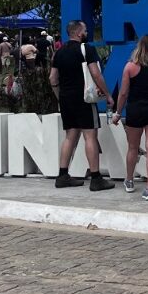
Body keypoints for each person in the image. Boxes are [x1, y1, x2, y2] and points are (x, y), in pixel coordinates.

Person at [49, 20, 115, 191]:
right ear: (79, 33)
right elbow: (95, 73)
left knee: (70, 137)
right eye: (85, 30)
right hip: (84, 99)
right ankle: (96, 178)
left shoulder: (59, 52)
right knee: (90, 136)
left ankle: (62, 175)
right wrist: (107, 94)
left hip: (66, 98)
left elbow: (52, 78)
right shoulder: (87, 49)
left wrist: (59, 96)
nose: (87, 32)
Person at [113, 35, 148, 201]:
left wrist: (118, 112)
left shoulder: (130, 67)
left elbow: (123, 93)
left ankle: (129, 180)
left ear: (139, 48)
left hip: (135, 108)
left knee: (132, 147)